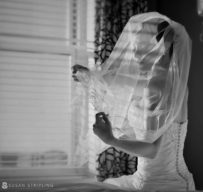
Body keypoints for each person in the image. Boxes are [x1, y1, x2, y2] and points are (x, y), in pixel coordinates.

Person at [72, 12, 195, 191]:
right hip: (140, 179)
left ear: (163, 43)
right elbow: (118, 84)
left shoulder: (163, 87)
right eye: (134, 39)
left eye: (142, 40)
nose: (134, 50)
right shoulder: (147, 81)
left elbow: (152, 150)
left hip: (165, 184)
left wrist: (110, 139)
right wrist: (90, 76)